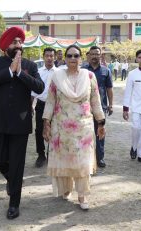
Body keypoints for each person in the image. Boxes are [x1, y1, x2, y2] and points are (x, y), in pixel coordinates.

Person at [0, 27, 44, 219]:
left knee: (17, 163)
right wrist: (9, 71)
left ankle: (14, 203)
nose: (18, 45)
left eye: (20, 42)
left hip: (20, 122)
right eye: (14, 42)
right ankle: (12, 179)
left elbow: (40, 87)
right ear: (5, 46)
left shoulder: (30, 65)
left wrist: (19, 73)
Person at [42, 44, 105, 210]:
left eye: (76, 56)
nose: (72, 59)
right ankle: (66, 189)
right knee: (65, 159)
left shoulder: (90, 76)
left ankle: (82, 196)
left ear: (81, 57)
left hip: (84, 127)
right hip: (61, 127)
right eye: (69, 56)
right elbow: (50, 101)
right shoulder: (57, 77)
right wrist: (46, 123)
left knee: (82, 162)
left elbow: (95, 101)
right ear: (64, 58)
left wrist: (101, 122)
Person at [82, 45, 113, 168]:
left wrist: (111, 105)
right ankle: (85, 158)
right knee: (84, 133)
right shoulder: (83, 70)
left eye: (97, 54)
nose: (95, 56)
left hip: (101, 108)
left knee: (100, 133)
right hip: (84, 107)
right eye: (93, 54)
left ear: (101, 55)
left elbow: (109, 89)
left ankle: (100, 158)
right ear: (89, 55)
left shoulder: (106, 71)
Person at [31, 47, 57, 168]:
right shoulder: (38, 72)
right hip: (41, 105)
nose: (49, 58)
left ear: (55, 57)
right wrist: (30, 105)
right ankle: (41, 155)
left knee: (54, 130)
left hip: (55, 106)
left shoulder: (59, 73)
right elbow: (33, 91)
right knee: (39, 130)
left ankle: (50, 154)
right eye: (47, 55)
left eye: (52, 56)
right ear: (43, 57)